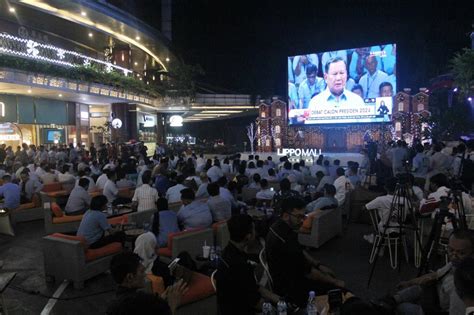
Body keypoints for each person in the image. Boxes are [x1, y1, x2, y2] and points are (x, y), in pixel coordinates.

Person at [266, 197, 345, 307]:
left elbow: (301, 251)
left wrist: (318, 264)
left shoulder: (280, 227)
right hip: (291, 289)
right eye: (299, 217)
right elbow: (309, 273)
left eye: (304, 216)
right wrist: (334, 282)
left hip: (289, 277)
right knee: (341, 291)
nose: (302, 220)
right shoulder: (285, 242)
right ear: (285, 216)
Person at [394, 229, 474, 315]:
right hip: (435, 294)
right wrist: (409, 282)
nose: (454, 256)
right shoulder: (457, 264)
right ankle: (393, 299)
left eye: (461, 253)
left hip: (436, 309)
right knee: (418, 287)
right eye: (451, 250)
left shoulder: (461, 287)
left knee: (400, 308)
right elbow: (436, 274)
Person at [216, 214, 280, 315]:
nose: (256, 233)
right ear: (248, 236)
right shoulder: (240, 265)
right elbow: (255, 302)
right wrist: (278, 309)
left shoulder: (228, 252)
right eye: (254, 230)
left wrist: (278, 299)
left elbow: (253, 287)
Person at [106, 252, 187, 315]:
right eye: (141, 271)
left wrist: (161, 299)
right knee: (183, 256)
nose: (144, 274)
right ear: (130, 277)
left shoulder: (114, 303)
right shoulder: (140, 301)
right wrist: (173, 304)